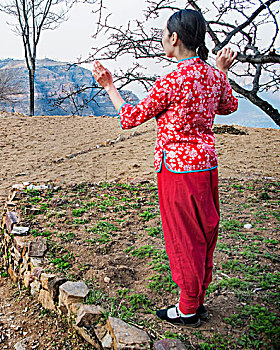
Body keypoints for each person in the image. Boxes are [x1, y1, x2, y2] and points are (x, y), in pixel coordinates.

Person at [92, 9, 238, 328]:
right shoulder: (213, 76)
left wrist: (109, 85)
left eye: (164, 33)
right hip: (207, 165)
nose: (162, 38)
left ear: (174, 38)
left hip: (177, 170)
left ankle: (187, 308)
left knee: (183, 236)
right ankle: (196, 299)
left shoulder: (172, 80)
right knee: (204, 231)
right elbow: (228, 105)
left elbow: (130, 117)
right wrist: (222, 70)